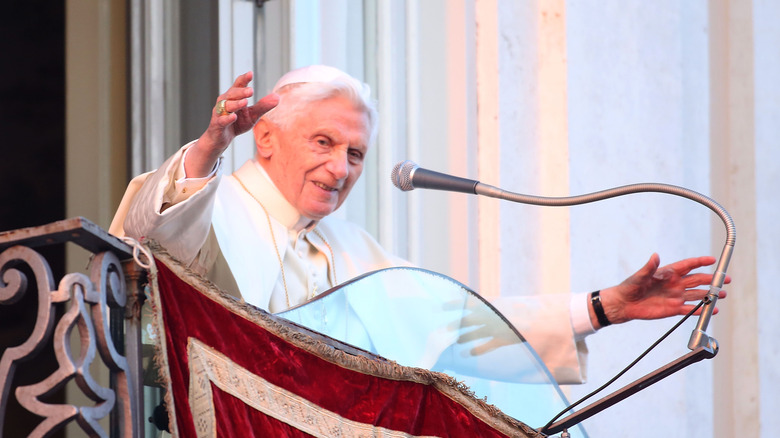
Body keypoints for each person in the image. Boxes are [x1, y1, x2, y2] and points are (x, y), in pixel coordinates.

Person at [111, 65, 728, 384]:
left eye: (355, 154)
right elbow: (143, 240)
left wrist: (602, 307)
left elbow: (461, 329)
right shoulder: (204, 200)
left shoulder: (356, 252)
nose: (340, 167)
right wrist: (209, 146)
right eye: (323, 142)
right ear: (264, 138)